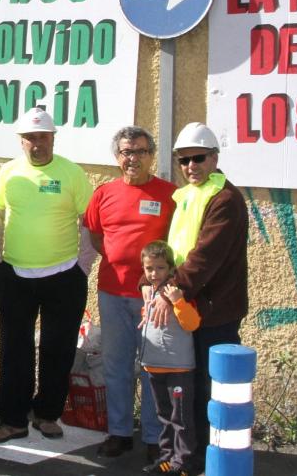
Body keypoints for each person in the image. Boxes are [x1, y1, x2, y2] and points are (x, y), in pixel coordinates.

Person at [0, 106, 93, 443]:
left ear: (52, 138)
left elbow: (88, 221)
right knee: (15, 349)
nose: (36, 143)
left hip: (64, 275)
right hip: (15, 275)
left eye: (42, 136)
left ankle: (47, 415)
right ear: (21, 141)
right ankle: (12, 420)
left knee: (57, 348)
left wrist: (82, 267)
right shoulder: (8, 173)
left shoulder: (72, 173)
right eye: (30, 138)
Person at [150, 121, 249, 469]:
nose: (191, 166)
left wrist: (169, 292)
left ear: (215, 158)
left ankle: (210, 459)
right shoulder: (187, 196)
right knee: (185, 388)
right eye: (184, 160)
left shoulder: (225, 200)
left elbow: (205, 256)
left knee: (207, 389)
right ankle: (186, 457)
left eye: (199, 158)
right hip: (184, 305)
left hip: (213, 310)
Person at [83, 125, 176, 461]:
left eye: (139, 151)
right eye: (126, 151)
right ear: (117, 156)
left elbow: (176, 246)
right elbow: (95, 237)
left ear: (151, 156)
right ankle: (119, 432)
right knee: (116, 366)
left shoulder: (168, 194)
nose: (132, 158)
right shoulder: (104, 193)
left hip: (152, 299)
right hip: (111, 292)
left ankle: (154, 436)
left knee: (152, 369)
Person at [139, 240, 200, 476]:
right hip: (154, 366)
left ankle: (183, 463)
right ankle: (166, 459)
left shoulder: (176, 294)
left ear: (172, 269)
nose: (154, 273)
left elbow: (192, 323)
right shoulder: (149, 291)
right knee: (164, 417)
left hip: (178, 368)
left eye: (160, 268)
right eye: (149, 269)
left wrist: (178, 301)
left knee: (181, 419)